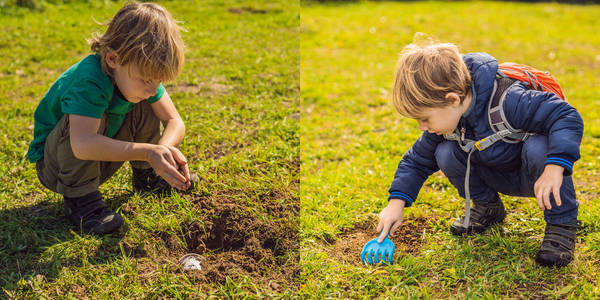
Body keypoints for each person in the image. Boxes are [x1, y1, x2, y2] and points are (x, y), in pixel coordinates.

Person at [376, 40, 583, 267]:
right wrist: (396, 203)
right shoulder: (448, 119)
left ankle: (561, 227)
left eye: (424, 118)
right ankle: (488, 207)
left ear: (453, 100)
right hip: (496, 172)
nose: (422, 126)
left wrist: (555, 167)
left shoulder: (510, 99)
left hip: (539, 176)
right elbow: (417, 161)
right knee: (445, 151)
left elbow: (565, 116)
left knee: (539, 148)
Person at [27, 2, 197, 235]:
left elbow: (174, 121)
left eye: (158, 82)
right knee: (89, 118)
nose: (152, 88)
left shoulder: (142, 80)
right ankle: (82, 201)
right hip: (57, 164)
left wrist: (163, 151)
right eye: (146, 80)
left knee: (145, 103)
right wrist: (147, 151)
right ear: (113, 59)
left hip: (98, 157)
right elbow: (83, 143)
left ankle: (146, 176)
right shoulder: (90, 80)